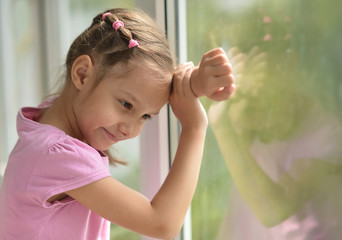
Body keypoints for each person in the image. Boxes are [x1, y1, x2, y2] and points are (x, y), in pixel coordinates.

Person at [0, 8, 235, 240]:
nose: (130, 129)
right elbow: (161, 224)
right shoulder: (57, 156)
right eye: (125, 105)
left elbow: (142, 84)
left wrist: (192, 84)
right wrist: (194, 128)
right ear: (82, 74)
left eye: (145, 116)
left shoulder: (48, 128)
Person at [209, 47, 342, 240]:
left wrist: (224, 127)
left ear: (287, 74)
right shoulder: (249, 119)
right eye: (248, 96)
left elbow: (272, 210)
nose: (253, 106)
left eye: (263, 94)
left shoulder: (328, 136)